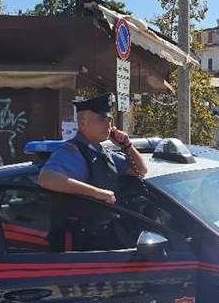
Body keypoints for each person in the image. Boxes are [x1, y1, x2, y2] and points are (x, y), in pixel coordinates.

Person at [38, 93, 148, 250]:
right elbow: (46, 178)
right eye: (102, 120)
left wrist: (127, 145)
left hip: (105, 240)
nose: (108, 125)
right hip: (82, 248)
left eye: (110, 120)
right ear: (83, 123)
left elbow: (141, 171)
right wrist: (97, 193)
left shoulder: (103, 152)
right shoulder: (72, 151)